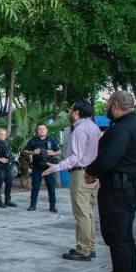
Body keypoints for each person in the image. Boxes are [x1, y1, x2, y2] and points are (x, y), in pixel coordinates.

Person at [84, 91, 136, 272]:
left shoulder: (122, 129)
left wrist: (91, 171)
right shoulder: (135, 125)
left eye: (109, 104)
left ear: (116, 105)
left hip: (119, 190)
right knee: (124, 235)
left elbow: (108, 158)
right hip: (129, 188)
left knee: (117, 236)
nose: (107, 108)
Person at [41, 99, 102, 261]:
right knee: (88, 213)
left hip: (81, 175)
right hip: (93, 174)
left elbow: (76, 157)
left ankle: (83, 249)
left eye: (71, 110)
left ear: (76, 112)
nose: (69, 113)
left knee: (82, 213)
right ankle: (90, 246)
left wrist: (56, 167)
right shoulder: (94, 128)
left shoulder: (80, 130)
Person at [24, 124, 61, 212]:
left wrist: (53, 153)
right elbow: (25, 152)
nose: (41, 130)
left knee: (51, 186)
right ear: (37, 131)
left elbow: (59, 152)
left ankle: (52, 206)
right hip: (37, 167)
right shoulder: (33, 140)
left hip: (49, 166)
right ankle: (33, 205)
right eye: (39, 129)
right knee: (35, 186)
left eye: (43, 129)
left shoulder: (51, 140)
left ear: (46, 130)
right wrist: (33, 152)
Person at [0, 129, 17, 208]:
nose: (3, 136)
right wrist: (0, 159)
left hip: (7, 167)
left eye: (4, 134)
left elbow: (10, 154)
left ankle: (7, 201)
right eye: (1, 134)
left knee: (9, 183)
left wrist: (12, 159)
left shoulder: (7, 144)